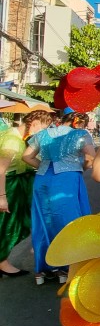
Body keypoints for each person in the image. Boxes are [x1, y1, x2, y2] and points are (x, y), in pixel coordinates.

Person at [22, 110, 95, 285]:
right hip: (68, 179)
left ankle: (42, 270)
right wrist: (79, 168)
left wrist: (43, 167)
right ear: (79, 122)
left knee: (43, 220)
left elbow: (26, 156)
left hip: (43, 179)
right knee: (69, 222)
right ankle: (65, 267)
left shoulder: (43, 133)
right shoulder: (81, 134)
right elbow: (90, 158)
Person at [0, 111, 51, 277]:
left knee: (15, 224)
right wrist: (2, 197)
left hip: (16, 186)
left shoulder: (16, 137)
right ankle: (2, 262)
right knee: (9, 226)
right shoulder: (13, 141)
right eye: (42, 129)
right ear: (34, 123)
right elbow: (1, 170)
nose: (42, 134)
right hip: (10, 187)